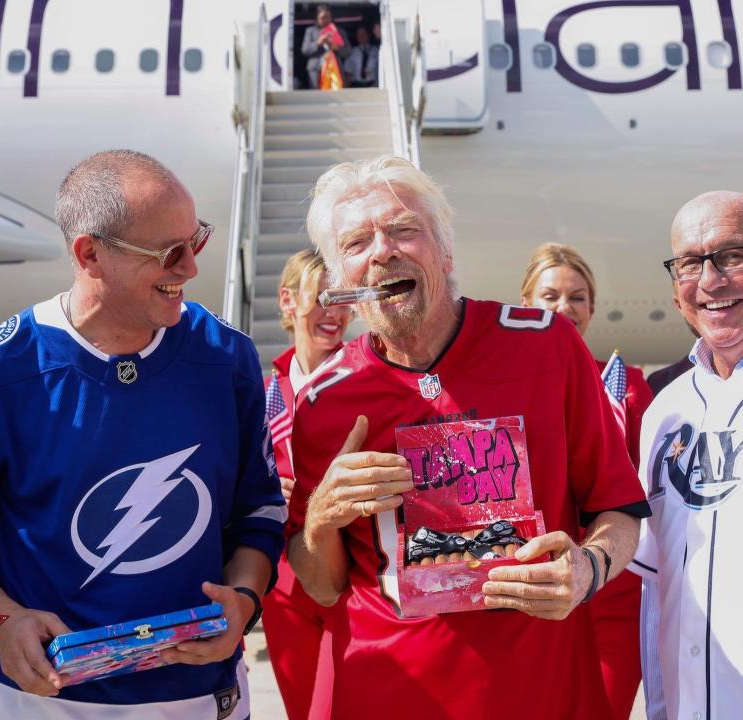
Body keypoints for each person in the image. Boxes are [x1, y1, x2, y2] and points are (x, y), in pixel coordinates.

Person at [0, 150, 286, 719]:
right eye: (167, 252)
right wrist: (5, 621)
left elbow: (259, 511)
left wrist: (245, 601)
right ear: (89, 254)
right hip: (45, 703)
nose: (190, 268)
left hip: (204, 699)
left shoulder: (225, 356)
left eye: (195, 240)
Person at [286, 156, 649, 718]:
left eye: (405, 229)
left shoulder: (546, 348)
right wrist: (320, 518)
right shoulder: (324, 399)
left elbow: (618, 508)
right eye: (357, 242)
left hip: (539, 691)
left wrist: (589, 568)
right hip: (383, 691)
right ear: (339, 282)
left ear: (446, 250)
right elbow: (324, 586)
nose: (383, 251)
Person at [520, 242, 652, 720]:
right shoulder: (505, 388)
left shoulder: (628, 385)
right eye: (550, 295)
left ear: (592, 308)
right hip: (535, 596)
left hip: (610, 593)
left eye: (578, 297)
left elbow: (649, 488)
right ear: (526, 304)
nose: (564, 308)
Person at [630, 191, 743, 720]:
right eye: (690, 264)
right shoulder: (665, 413)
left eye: (732, 255)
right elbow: (658, 592)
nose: (711, 280)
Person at [262, 250, 349, 720]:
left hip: (349, 581)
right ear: (289, 301)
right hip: (284, 588)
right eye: (322, 298)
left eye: (342, 300)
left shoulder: (369, 385)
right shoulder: (261, 396)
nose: (334, 313)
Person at [301, 5, 349, 90]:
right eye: (322, 18)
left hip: (335, 70)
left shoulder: (339, 31)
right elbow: (304, 50)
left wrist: (336, 48)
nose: (325, 20)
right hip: (315, 70)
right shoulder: (310, 31)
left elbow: (348, 51)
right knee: (315, 98)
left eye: (328, 17)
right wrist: (317, 43)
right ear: (317, 18)